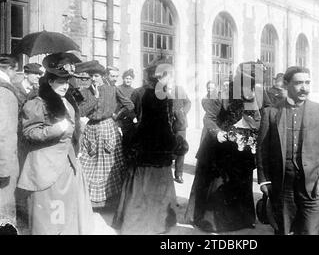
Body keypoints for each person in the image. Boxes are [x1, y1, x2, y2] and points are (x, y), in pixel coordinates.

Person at [185, 61, 270, 233]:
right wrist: (218, 133)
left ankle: (242, 219)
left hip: (243, 147)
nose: (249, 88)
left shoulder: (259, 92)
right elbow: (209, 118)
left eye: (252, 83)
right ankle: (213, 221)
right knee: (217, 183)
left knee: (241, 181)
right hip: (220, 145)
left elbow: (267, 112)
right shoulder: (222, 93)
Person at [257, 66, 319, 235]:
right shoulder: (271, 112)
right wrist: (264, 180)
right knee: (283, 231)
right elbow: (262, 149)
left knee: (310, 231)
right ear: (286, 84)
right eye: (298, 83)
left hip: (313, 185)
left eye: (307, 83)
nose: (305, 88)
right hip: (282, 185)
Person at [17, 52, 94, 235]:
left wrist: (79, 129)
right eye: (60, 82)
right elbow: (29, 132)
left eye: (67, 82)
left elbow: (70, 131)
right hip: (47, 167)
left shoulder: (67, 102)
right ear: (50, 82)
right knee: (52, 215)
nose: (65, 86)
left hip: (67, 165)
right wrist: (56, 129)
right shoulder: (38, 103)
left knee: (67, 212)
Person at [113, 61, 186, 234]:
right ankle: (155, 224)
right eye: (170, 75)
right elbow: (171, 124)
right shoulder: (164, 96)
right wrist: (174, 142)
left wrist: (131, 137)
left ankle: (135, 223)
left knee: (139, 188)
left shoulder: (138, 92)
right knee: (157, 187)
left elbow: (126, 117)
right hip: (158, 149)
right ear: (162, 76)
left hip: (142, 148)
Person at [78, 61, 134, 208]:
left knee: (109, 165)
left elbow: (130, 105)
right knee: (89, 163)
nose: (94, 79)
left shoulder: (112, 89)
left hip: (108, 128)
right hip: (91, 129)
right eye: (91, 76)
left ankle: (110, 201)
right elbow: (81, 112)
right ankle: (90, 201)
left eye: (96, 76)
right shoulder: (86, 91)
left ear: (103, 76)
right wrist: (95, 98)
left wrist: (116, 114)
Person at [0, 55, 19, 234]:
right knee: (3, 214)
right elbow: (4, 132)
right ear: (11, 69)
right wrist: (4, 168)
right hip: (3, 160)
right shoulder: (4, 91)